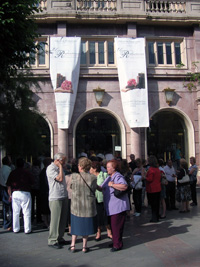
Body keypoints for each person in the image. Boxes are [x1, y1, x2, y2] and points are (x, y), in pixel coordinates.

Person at [68, 157, 97, 253]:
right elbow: (94, 189)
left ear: (80, 166)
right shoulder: (93, 177)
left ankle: (73, 245)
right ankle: (84, 246)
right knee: (86, 226)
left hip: (76, 204)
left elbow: (71, 187)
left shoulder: (74, 176)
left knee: (75, 224)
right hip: (88, 205)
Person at [100, 159, 130, 252]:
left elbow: (124, 186)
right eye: (107, 167)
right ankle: (115, 242)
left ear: (114, 168)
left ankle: (117, 245)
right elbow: (101, 187)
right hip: (111, 207)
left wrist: (112, 185)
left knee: (116, 226)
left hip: (118, 207)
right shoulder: (109, 177)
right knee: (113, 226)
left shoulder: (118, 176)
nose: (107, 168)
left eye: (109, 167)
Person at [46, 153, 68, 249]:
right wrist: (60, 167)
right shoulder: (50, 168)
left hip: (63, 195)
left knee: (63, 218)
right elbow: (59, 178)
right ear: (58, 160)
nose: (65, 163)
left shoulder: (60, 168)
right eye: (63, 161)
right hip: (55, 196)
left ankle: (60, 237)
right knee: (55, 219)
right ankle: (52, 239)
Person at [6, 158, 34, 234]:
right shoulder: (27, 172)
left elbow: (8, 185)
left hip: (15, 193)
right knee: (26, 211)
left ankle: (16, 228)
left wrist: (10, 195)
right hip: (25, 192)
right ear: (23, 165)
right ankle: (27, 229)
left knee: (15, 212)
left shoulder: (12, 172)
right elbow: (32, 182)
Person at [90, 161, 112, 241]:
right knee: (97, 216)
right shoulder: (90, 177)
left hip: (104, 199)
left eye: (91, 168)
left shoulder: (104, 175)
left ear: (95, 169)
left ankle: (109, 231)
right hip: (94, 199)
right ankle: (98, 232)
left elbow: (108, 184)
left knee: (106, 215)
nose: (90, 170)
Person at [146, 156, 161, 223]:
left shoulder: (151, 169)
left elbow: (150, 179)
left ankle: (154, 218)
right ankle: (157, 216)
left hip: (152, 189)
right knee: (157, 204)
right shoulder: (157, 169)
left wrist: (144, 177)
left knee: (153, 204)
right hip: (158, 188)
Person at [39, 157, 52, 228]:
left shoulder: (43, 171)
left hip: (44, 191)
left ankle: (47, 222)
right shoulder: (46, 171)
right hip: (46, 192)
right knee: (46, 208)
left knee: (46, 208)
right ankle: (47, 223)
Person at [0, 156, 12, 231]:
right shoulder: (7, 170)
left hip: (2, 188)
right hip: (6, 189)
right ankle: (8, 223)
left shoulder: (1, 169)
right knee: (8, 207)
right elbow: (8, 183)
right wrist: (10, 194)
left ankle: (5, 222)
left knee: (5, 207)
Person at [31, 158, 42, 223]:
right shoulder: (39, 170)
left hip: (32, 188)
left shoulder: (30, 170)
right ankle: (38, 217)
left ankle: (32, 217)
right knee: (38, 204)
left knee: (31, 203)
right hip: (38, 188)